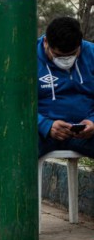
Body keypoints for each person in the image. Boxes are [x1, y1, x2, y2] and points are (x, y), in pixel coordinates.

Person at [38, 17, 94, 157]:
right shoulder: (26, 58)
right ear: (46, 42)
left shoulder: (91, 54)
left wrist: (92, 122)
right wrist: (46, 125)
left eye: (72, 55)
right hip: (41, 132)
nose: (66, 60)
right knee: (16, 148)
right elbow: (17, 104)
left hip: (86, 134)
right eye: (58, 55)